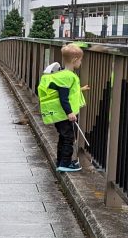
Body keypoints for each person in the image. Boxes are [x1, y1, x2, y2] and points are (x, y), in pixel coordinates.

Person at [38, 43, 89, 173]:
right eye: (80, 60)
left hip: (59, 114)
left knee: (63, 136)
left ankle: (60, 161)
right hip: (63, 114)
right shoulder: (68, 76)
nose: (81, 63)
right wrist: (70, 112)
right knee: (68, 138)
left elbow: (67, 92)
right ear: (74, 60)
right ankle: (65, 163)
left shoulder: (62, 74)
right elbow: (64, 97)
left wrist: (81, 89)